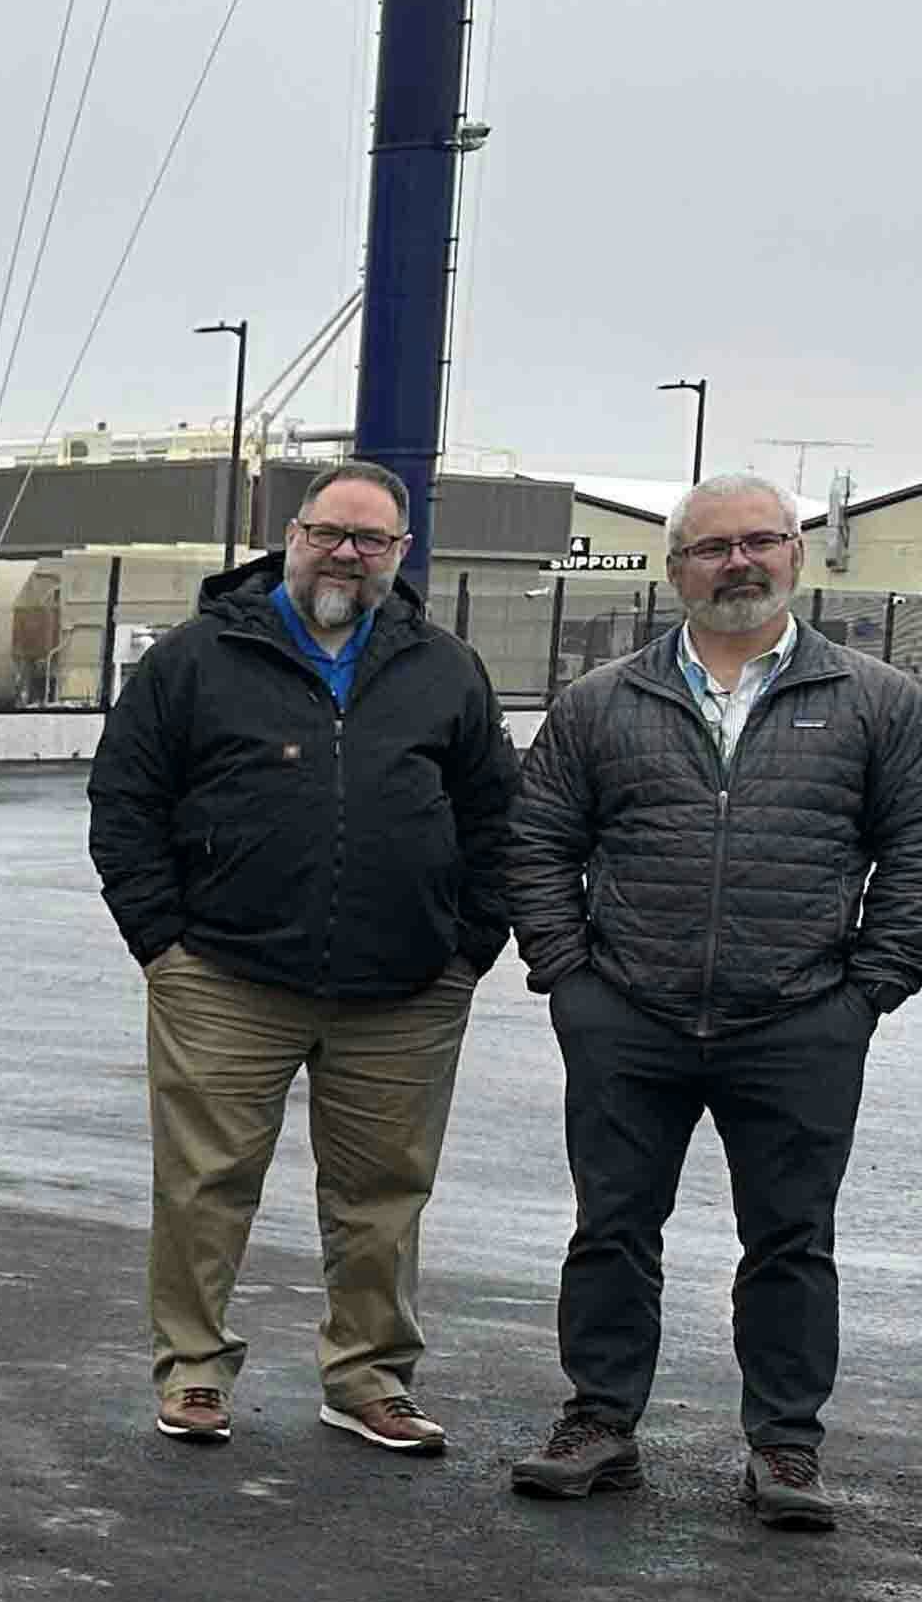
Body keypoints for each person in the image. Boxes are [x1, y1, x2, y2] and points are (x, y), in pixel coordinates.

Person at [504, 473, 922, 1528]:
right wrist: (569, 979)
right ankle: (600, 1424)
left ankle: (785, 1447)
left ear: (795, 553)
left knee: (791, 1239)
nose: (740, 562)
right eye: (713, 547)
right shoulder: (601, 702)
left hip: (800, 1020)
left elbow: (915, 852)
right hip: (627, 1017)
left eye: (761, 541)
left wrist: (868, 990)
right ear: (675, 567)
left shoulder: (878, 702)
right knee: (611, 1229)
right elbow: (540, 842)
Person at [85, 457, 517, 1453]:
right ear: (293, 535)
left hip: (405, 987)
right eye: (329, 532)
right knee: (203, 1186)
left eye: (371, 539)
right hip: (224, 978)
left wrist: (468, 948)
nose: (346, 554)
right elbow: (126, 803)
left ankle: (369, 1377)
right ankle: (194, 1370)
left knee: (382, 1199)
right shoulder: (197, 658)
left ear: (401, 551)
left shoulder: (444, 668)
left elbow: (498, 817)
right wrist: (162, 944)